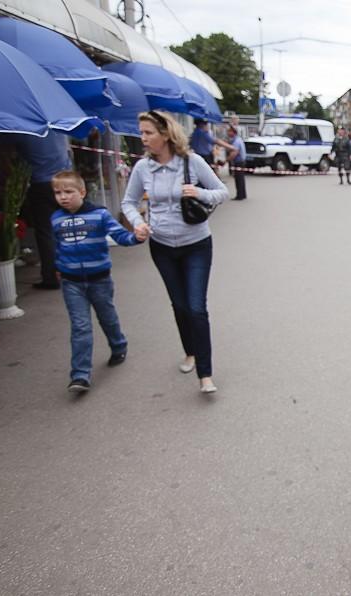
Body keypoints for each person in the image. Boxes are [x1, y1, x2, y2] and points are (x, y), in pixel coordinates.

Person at [122, 110, 229, 393]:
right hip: (162, 247)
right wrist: (138, 224)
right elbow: (128, 202)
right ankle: (190, 352)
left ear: (166, 134)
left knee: (196, 307)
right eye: (141, 132)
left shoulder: (192, 162)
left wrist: (199, 192)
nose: (142, 138)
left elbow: (222, 191)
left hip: (196, 245)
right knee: (179, 305)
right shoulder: (143, 168)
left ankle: (205, 374)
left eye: (148, 133)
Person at [50, 170, 148, 393]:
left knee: (107, 317)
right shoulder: (56, 218)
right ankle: (80, 375)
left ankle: (118, 345)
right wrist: (57, 266)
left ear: (82, 192)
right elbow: (57, 246)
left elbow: (118, 235)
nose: (63, 197)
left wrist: (135, 237)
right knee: (80, 326)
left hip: (99, 279)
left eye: (68, 191)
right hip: (71, 282)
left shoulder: (99, 215)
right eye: (57, 193)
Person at [15, 133, 73, 290]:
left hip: (41, 183)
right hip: (65, 180)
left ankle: (51, 277)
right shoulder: (56, 126)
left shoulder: (25, 130)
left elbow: (2, 143)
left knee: (46, 233)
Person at [226, 126, 246, 200]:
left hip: (239, 162)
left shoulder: (236, 141)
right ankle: (243, 194)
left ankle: (240, 195)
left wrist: (226, 161)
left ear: (233, 132)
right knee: (241, 179)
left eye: (229, 131)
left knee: (238, 179)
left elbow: (234, 153)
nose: (228, 133)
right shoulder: (237, 139)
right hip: (241, 161)